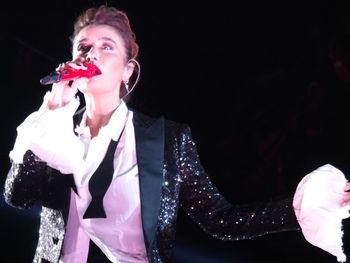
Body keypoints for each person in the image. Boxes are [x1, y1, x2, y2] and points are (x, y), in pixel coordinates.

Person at [3, 4, 350, 263]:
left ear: (128, 70)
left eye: (106, 46)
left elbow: (220, 220)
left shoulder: (165, 141)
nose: (91, 53)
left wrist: (298, 209)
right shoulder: (55, 133)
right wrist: (52, 112)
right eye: (83, 48)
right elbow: (17, 197)